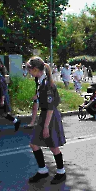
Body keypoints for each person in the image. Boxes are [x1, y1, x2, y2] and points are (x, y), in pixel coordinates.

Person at [25, 56, 66, 184]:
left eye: (30, 70)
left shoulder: (47, 84)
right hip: (45, 115)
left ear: (36, 69)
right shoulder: (40, 81)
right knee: (34, 144)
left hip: (50, 116)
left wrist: (46, 126)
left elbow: (50, 107)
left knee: (53, 145)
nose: (29, 73)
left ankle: (61, 172)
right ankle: (42, 170)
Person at [0, 63, 21, 137]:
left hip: (1, 98)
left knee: (2, 113)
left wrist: (2, 100)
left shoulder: (0, 79)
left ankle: (16, 121)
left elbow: (2, 91)